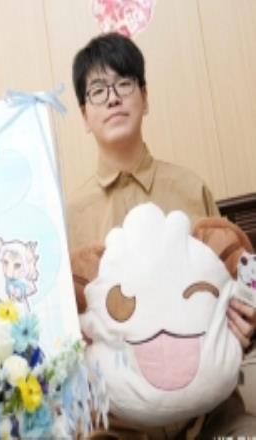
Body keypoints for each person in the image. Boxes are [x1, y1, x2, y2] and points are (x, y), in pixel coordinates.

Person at [68, 31, 256, 438]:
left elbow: (239, 285)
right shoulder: (71, 215)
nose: (113, 98)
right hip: (116, 427)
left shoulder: (191, 188)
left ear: (145, 97)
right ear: (84, 115)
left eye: (124, 83)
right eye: (98, 90)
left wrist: (248, 325)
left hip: (213, 415)